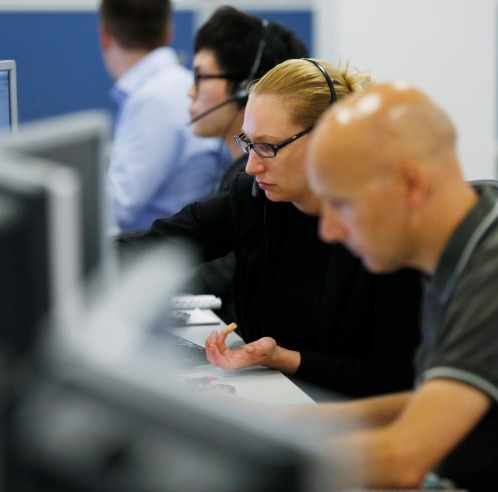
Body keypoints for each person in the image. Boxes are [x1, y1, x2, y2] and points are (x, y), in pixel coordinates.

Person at [304, 82, 498, 490]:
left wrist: (264, 456)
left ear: (412, 185)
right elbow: (434, 402)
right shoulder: (461, 255)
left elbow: (405, 459)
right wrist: (302, 420)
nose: (328, 230)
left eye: (342, 204)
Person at [120, 59, 422, 399]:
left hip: (349, 418)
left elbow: (394, 381)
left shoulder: (392, 229)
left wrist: (288, 360)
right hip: (279, 399)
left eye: (268, 146)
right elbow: (158, 244)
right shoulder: (254, 199)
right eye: (248, 142)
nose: (251, 164)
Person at [187, 7, 308, 322]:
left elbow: (215, 279)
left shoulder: (257, 183)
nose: (190, 91)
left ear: (245, 87)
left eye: (200, 76)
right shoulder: (240, 171)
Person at [99, 0, 222, 232]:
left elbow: (117, 209)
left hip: (162, 255)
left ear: (105, 35)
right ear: (169, 32)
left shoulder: (153, 99)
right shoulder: (182, 84)